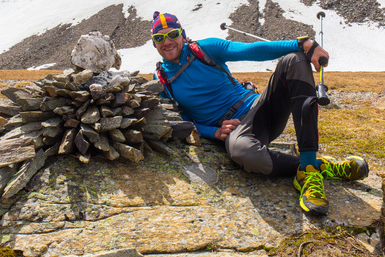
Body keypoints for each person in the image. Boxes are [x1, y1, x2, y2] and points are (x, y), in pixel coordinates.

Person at [151, 11, 369, 215]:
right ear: (154, 44)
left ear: (183, 35)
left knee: (295, 59)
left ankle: (309, 165)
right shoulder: (161, 81)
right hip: (237, 131)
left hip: (260, 109)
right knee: (244, 154)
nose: (167, 41)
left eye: (172, 34)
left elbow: (250, 50)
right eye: (160, 38)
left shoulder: (205, 49)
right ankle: (319, 167)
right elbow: (180, 119)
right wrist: (213, 132)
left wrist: (301, 44)